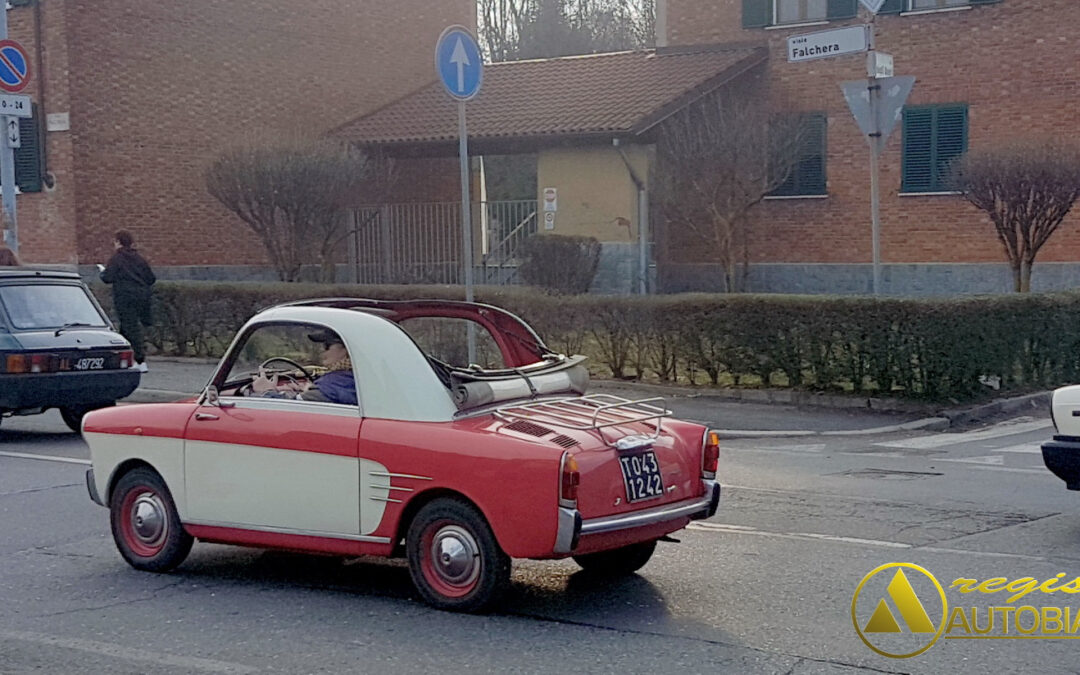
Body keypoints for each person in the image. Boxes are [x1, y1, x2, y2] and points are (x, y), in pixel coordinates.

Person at [250, 330, 357, 405]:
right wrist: (310, 390)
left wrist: (265, 391)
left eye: (327, 345)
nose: (321, 350)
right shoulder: (355, 378)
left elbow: (289, 409)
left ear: (347, 349)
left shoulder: (333, 385)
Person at [100, 230, 155, 372]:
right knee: (127, 328)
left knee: (131, 327)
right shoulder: (139, 258)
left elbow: (107, 278)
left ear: (118, 242)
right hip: (142, 297)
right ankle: (122, 356)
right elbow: (151, 278)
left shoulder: (117, 259)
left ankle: (140, 360)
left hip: (125, 297)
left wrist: (102, 272)